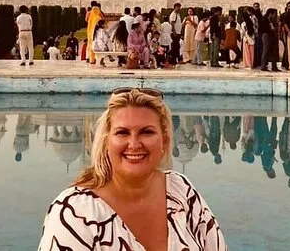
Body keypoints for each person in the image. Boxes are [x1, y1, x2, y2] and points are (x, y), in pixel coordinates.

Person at [37, 88, 227, 250]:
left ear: (164, 140)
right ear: (106, 141)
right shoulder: (75, 213)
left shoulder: (180, 191)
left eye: (147, 132)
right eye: (122, 132)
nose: (134, 144)